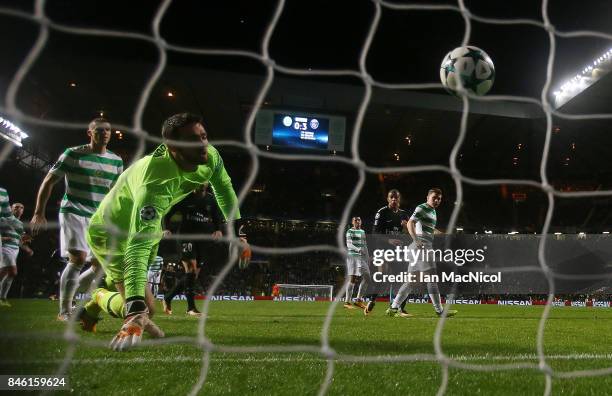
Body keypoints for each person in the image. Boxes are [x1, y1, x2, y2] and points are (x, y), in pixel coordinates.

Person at [83, 112, 245, 351]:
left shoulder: (209, 155)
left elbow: (224, 188)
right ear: (173, 146)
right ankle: (98, 297)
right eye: (193, 140)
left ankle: (104, 293)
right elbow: (135, 249)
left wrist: (239, 233)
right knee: (147, 307)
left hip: (148, 228)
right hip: (112, 231)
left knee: (137, 295)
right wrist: (136, 311)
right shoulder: (156, 181)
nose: (203, 145)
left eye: (204, 136)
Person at [31, 118, 123, 320]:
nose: (104, 133)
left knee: (100, 266)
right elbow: (49, 181)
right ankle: (65, 311)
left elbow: (115, 194)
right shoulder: (72, 154)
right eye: (99, 130)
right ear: (89, 133)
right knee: (78, 258)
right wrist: (39, 212)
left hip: (99, 217)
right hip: (74, 210)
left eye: (108, 130)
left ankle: (68, 294)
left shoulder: (116, 161)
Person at [386, 188, 458, 318]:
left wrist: (442, 233)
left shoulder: (432, 211)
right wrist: (417, 240)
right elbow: (410, 224)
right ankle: (439, 310)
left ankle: (393, 308)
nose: (437, 200)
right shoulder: (422, 208)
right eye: (434, 197)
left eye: (439, 198)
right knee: (431, 278)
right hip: (422, 247)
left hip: (417, 247)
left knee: (411, 282)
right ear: (428, 197)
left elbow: (429, 229)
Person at [162, 183, 223, 316]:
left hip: (204, 240)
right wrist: (166, 229)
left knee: (192, 275)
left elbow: (217, 215)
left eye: (204, 181)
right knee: (191, 269)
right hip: (186, 237)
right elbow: (167, 214)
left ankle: (168, 297)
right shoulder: (184, 197)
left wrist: (218, 230)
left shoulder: (211, 199)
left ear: (207, 183)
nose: (201, 183)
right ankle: (191, 308)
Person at [364, 189, 410, 316]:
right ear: (388, 199)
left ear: (399, 199)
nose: (394, 199)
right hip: (383, 249)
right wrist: (389, 240)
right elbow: (375, 234)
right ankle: (372, 300)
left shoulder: (404, 214)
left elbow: (410, 232)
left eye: (396, 197)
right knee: (383, 275)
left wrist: (406, 228)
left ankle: (400, 308)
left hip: (398, 251)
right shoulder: (382, 212)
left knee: (403, 278)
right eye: (392, 197)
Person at [0, 203, 33, 306]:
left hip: (15, 250)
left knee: (9, 274)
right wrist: (3, 238)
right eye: (16, 207)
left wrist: (27, 248)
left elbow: (19, 240)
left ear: (23, 211)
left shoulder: (20, 224)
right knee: (12, 272)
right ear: (11, 209)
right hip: (4, 248)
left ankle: (3, 298)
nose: (19, 209)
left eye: (21, 207)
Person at [344, 216, 369, 310]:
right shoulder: (350, 231)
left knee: (367, 277)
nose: (357, 221)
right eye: (355, 220)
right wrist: (358, 249)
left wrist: (367, 257)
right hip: (353, 256)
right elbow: (349, 244)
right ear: (352, 222)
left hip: (362, 257)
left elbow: (365, 245)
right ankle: (347, 302)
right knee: (353, 279)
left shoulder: (362, 232)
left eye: (359, 220)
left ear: (361, 222)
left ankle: (358, 300)